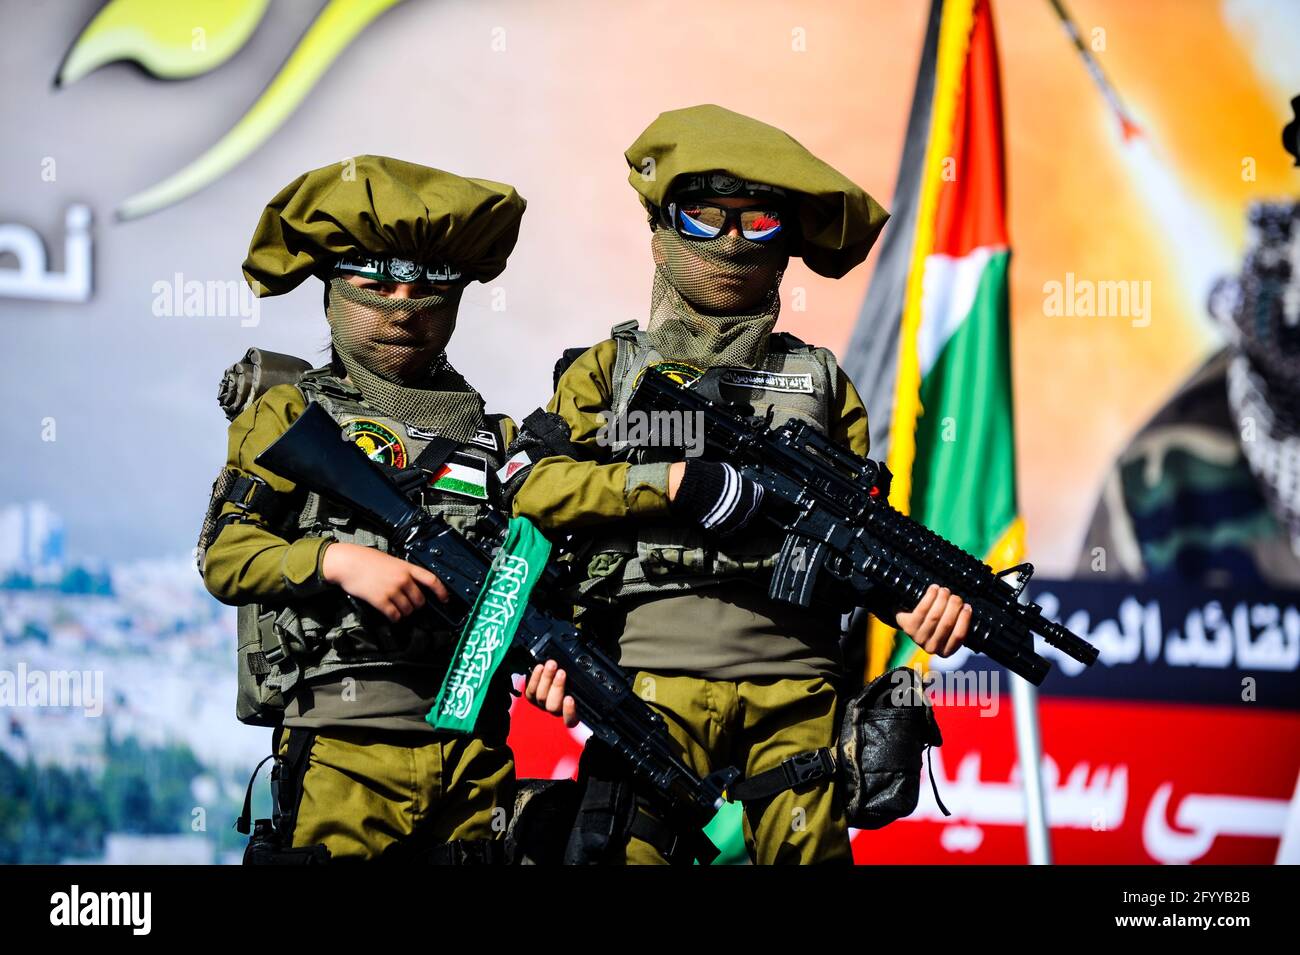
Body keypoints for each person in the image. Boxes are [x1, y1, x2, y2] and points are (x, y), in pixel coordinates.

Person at [511, 105, 971, 864]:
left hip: (797, 689)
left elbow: (865, 537)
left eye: (757, 221)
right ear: (662, 230)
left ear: (786, 242)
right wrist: (666, 483)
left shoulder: (820, 383)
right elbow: (532, 486)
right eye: (704, 216)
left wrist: (922, 603)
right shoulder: (607, 369)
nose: (730, 239)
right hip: (648, 680)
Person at [199, 155, 527, 862]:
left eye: (426, 285)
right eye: (377, 283)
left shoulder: (494, 439)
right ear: (331, 295)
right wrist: (338, 560)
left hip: (473, 750)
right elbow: (224, 556)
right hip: (344, 747)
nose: (402, 304)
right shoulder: (292, 415)